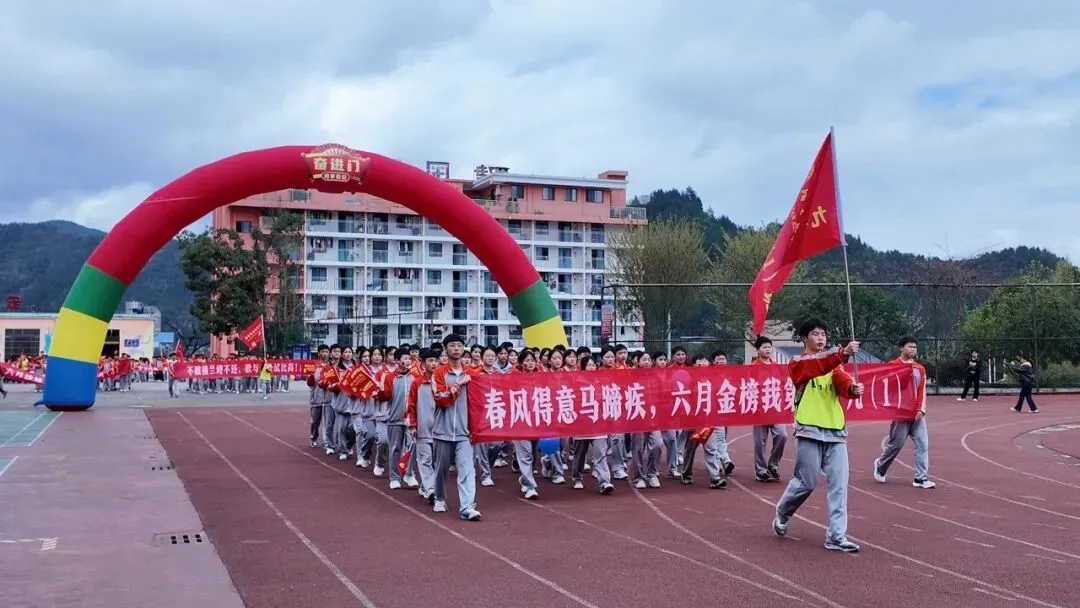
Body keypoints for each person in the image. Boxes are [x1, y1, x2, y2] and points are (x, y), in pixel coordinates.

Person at [773, 317, 863, 553]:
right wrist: (842, 353)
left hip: (835, 431)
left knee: (839, 485)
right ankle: (783, 511)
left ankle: (836, 536)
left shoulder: (835, 366)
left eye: (823, 334)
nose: (821, 338)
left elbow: (841, 380)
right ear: (804, 338)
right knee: (806, 483)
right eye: (815, 334)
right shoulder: (798, 363)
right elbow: (817, 365)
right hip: (809, 430)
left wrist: (852, 389)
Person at [431, 334, 482, 521]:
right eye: (452, 346)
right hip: (442, 430)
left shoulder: (473, 374)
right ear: (445, 349)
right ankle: (439, 497)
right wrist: (459, 385)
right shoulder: (439, 373)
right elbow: (440, 399)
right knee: (441, 470)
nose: (456, 349)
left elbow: (481, 402)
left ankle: (467, 507)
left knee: (467, 469)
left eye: (459, 346)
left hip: (465, 432)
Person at [873, 337, 935, 489]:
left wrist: (921, 409)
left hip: (917, 414)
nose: (913, 350)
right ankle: (880, 466)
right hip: (900, 413)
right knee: (896, 444)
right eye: (910, 347)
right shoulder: (892, 366)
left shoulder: (919, 369)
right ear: (901, 348)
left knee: (922, 444)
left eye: (915, 347)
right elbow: (887, 387)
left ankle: (920, 478)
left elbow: (921, 390)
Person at [750, 336, 787, 483]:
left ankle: (773, 464)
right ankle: (761, 471)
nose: (767, 350)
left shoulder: (777, 366)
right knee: (760, 442)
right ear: (758, 350)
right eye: (764, 347)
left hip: (775, 408)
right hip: (759, 409)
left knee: (782, 435)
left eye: (769, 347)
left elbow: (784, 385)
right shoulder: (753, 367)